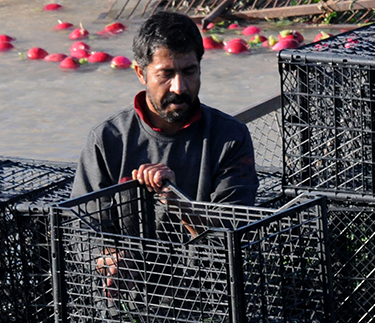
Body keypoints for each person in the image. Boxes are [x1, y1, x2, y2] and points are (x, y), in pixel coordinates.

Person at [70, 11, 258, 205]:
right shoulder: (106, 140)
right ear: (141, 74)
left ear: (200, 68)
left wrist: (179, 204)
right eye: (165, 74)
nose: (179, 87)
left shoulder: (230, 137)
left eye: (189, 72)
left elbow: (234, 229)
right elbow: (85, 228)